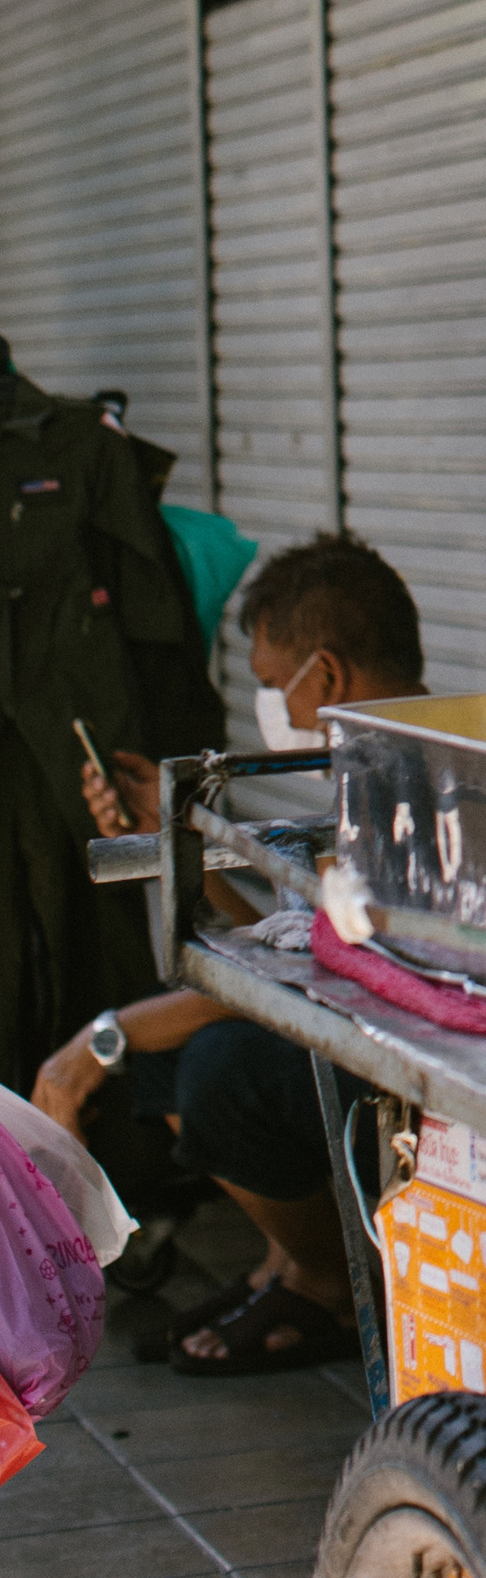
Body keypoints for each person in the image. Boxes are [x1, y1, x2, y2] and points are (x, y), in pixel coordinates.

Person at [34, 532, 425, 1377]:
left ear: (324, 674)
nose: (266, 704)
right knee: (172, 1051)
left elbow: (307, 973)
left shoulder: (412, 781)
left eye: (269, 684)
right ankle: (290, 1266)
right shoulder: (368, 763)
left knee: (214, 1070)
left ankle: (326, 1280)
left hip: (409, 1074)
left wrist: (99, 1041)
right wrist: (161, 839)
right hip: (354, 1026)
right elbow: (281, 939)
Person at [0, 343, 224, 1098]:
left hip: (84, 763)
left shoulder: (81, 447)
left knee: (100, 940)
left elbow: (161, 638)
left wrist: (173, 774)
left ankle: (116, 1170)